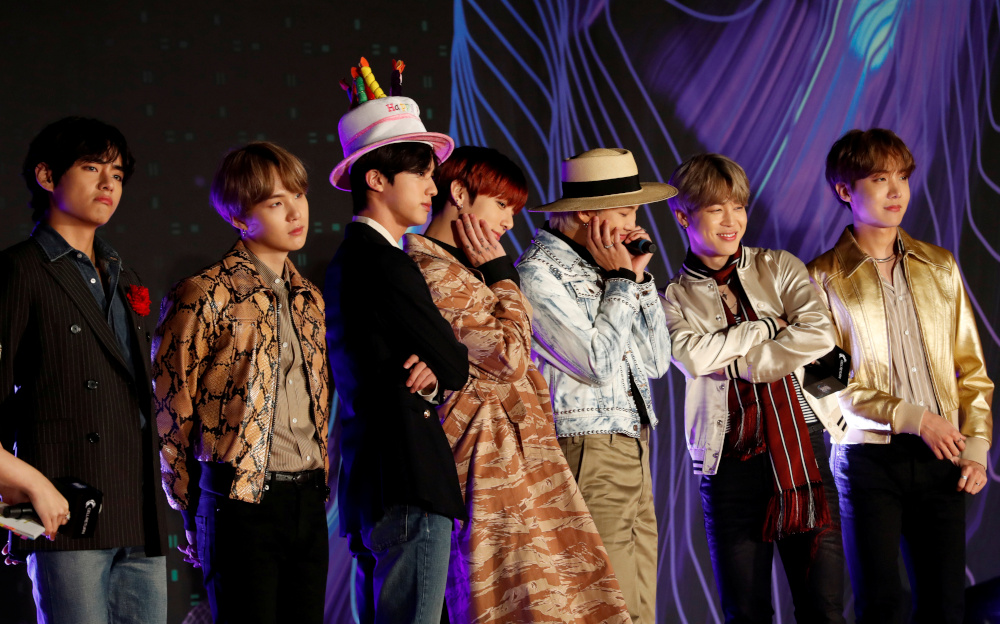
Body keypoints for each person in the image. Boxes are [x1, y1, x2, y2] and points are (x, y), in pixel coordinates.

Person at [403, 146, 630, 623]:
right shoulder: (430, 270)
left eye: (514, 210)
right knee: (514, 598)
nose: (508, 221)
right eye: (501, 204)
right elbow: (508, 355)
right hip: (487, 462)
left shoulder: (467, 270)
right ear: (460, 194)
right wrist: (505, 276)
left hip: (523, 455)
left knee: (567, 598)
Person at [807, 128, 993, 624]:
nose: (896, 192)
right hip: (869, 461)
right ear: (845, 191)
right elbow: (827, 385)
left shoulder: (941, 267)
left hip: (942, 454)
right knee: (882, 606)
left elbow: (971, 371)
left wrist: (975, 448)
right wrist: (913, 418)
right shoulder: (820, 279)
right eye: (879, 178)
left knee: (945, 606)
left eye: (903, 177)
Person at [661, 153, 847, 623]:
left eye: (738, 206)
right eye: (715, 208)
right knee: (745, 612)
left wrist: (741, 364)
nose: (732, 221)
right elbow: (693, 357)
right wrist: (767, 326)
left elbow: (819, 334)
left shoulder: (778, 266)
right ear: (683, 216)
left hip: (804, 451)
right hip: (728, 467)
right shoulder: (672, 296)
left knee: (824, 609)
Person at [153, 142, 331, 623]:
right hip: (238, 501)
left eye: (299, 195)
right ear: (238, 216)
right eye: (275, 202)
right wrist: (188, 509)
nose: (296, 212)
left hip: (309, 498)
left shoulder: (310, 298)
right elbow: (171, 410)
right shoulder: (204, 292)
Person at [0, 116, 169, 623]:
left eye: (117, 174)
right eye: (91, 167)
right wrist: (26, 489)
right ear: (48, 177)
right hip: (62, 511)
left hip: (137, 510)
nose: (107, 184)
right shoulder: (19, 269)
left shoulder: (125, 273)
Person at [325, 90, 470, 624]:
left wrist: (435, 366)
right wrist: (441, 362)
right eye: (422, 174)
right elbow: (455, 365)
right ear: (376, 179)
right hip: (408, 478)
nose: (435, 188)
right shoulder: (384, 261)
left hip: (372, 482)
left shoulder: (348, 259)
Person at [516, 147, 673, 624]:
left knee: (641, 603)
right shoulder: (538, 273)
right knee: (606, 602)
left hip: (633, 444)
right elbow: (597, 364)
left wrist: (638, 279)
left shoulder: (611, 268)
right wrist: (623, 281)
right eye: (625, 212)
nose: (635, 224)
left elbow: (658, 361)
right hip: (585, 446)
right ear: (585, 212)